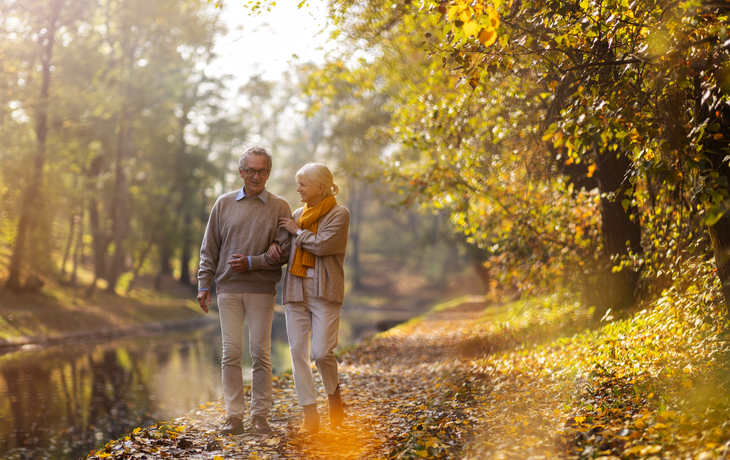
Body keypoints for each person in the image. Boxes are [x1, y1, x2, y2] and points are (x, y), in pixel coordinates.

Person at [197, 146, 292, 436]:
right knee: (231, 353)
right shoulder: (224, 203)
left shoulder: (280, 207)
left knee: (261, 353)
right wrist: (204, 282)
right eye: (250, 170)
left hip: (262, 290)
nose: (256, 175)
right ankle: (234, 417)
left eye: (262, 170)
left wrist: (254, 262)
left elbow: (284, 252)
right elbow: (209, 246)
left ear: (269, 172)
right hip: (227, 289)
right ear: (241, 172)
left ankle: (260, 416)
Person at [268, 163, 350, 434]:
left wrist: (296, 231)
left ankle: (334, 397)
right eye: (298, 183)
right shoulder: (297, 214)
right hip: (295, 291)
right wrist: (272, 251)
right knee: (297, 352)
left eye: (303, 184)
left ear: (321, 187)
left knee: (322, 352)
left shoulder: (340, 214)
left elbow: (323, 245)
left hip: (325, 293)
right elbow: (288, 247)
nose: (298, 188)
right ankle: (310, 415)